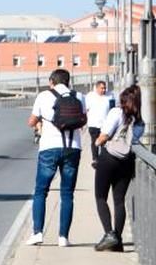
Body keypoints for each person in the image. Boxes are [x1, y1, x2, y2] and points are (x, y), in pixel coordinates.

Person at [26, 69, 86, 247]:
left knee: (41, 191)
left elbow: (31, 121)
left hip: (49, 149)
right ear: (68, 81)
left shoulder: (43, 96)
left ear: (51, 81)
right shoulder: (80, 97)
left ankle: (37, 233)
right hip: (73, 148)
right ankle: (63, 237)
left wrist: (39, 122)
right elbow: (84, 119)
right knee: (67, 193)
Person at [92, 84, 143, 252]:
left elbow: (105, 135)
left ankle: (109, 234)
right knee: (119, 200)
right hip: (126, 162)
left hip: (108, 159)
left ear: (123, 100)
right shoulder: (140, 122)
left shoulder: (116, 112)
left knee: (101, 197)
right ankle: (118, 241)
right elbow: (133, 141)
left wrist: (97, 142)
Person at [84, 80, 115, 161]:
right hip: (93, 124)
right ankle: (95, 159)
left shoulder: (110, 95)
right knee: (95, 142)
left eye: (105, 88)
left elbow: (113, 109)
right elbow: (86, 110)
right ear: (97, 88)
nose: (104, 90)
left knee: (104, 142)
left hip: (105, 125)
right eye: (102, 88)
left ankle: (104, 159)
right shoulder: (90, 96)